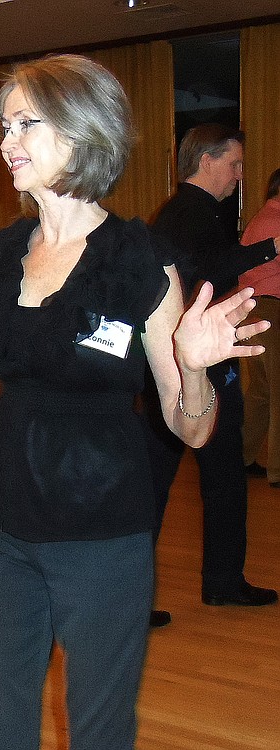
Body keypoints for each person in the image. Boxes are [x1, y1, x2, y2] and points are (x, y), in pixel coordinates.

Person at [0, 54, 269, 750]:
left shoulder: (140, 260)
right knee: (1, 732)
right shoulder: (1, 256)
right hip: (0, 528)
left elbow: (192, 426)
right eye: (4, 125)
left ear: (87, 130)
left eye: (28, 122)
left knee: (99, 732)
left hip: (104, 537)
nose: (5, 141)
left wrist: (195, 365)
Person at [143, 124, 278, 628]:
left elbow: (210, 268)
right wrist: (270, 248)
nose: (240, 175)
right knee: (175, 482)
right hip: (185, 367)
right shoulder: (186, 214)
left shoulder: (194, 214)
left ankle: (220, 581)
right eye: (234, 165)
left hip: (189, 362)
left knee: (197, 479)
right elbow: (202, 273)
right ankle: (219, 583)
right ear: (205, 160)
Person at [239, 168, 280, 486]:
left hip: (255, 308)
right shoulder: (276, 222)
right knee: (275, 391)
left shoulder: (261, 218)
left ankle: (242, 456)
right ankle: (277, 471)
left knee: (262, 392)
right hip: (272, 309)